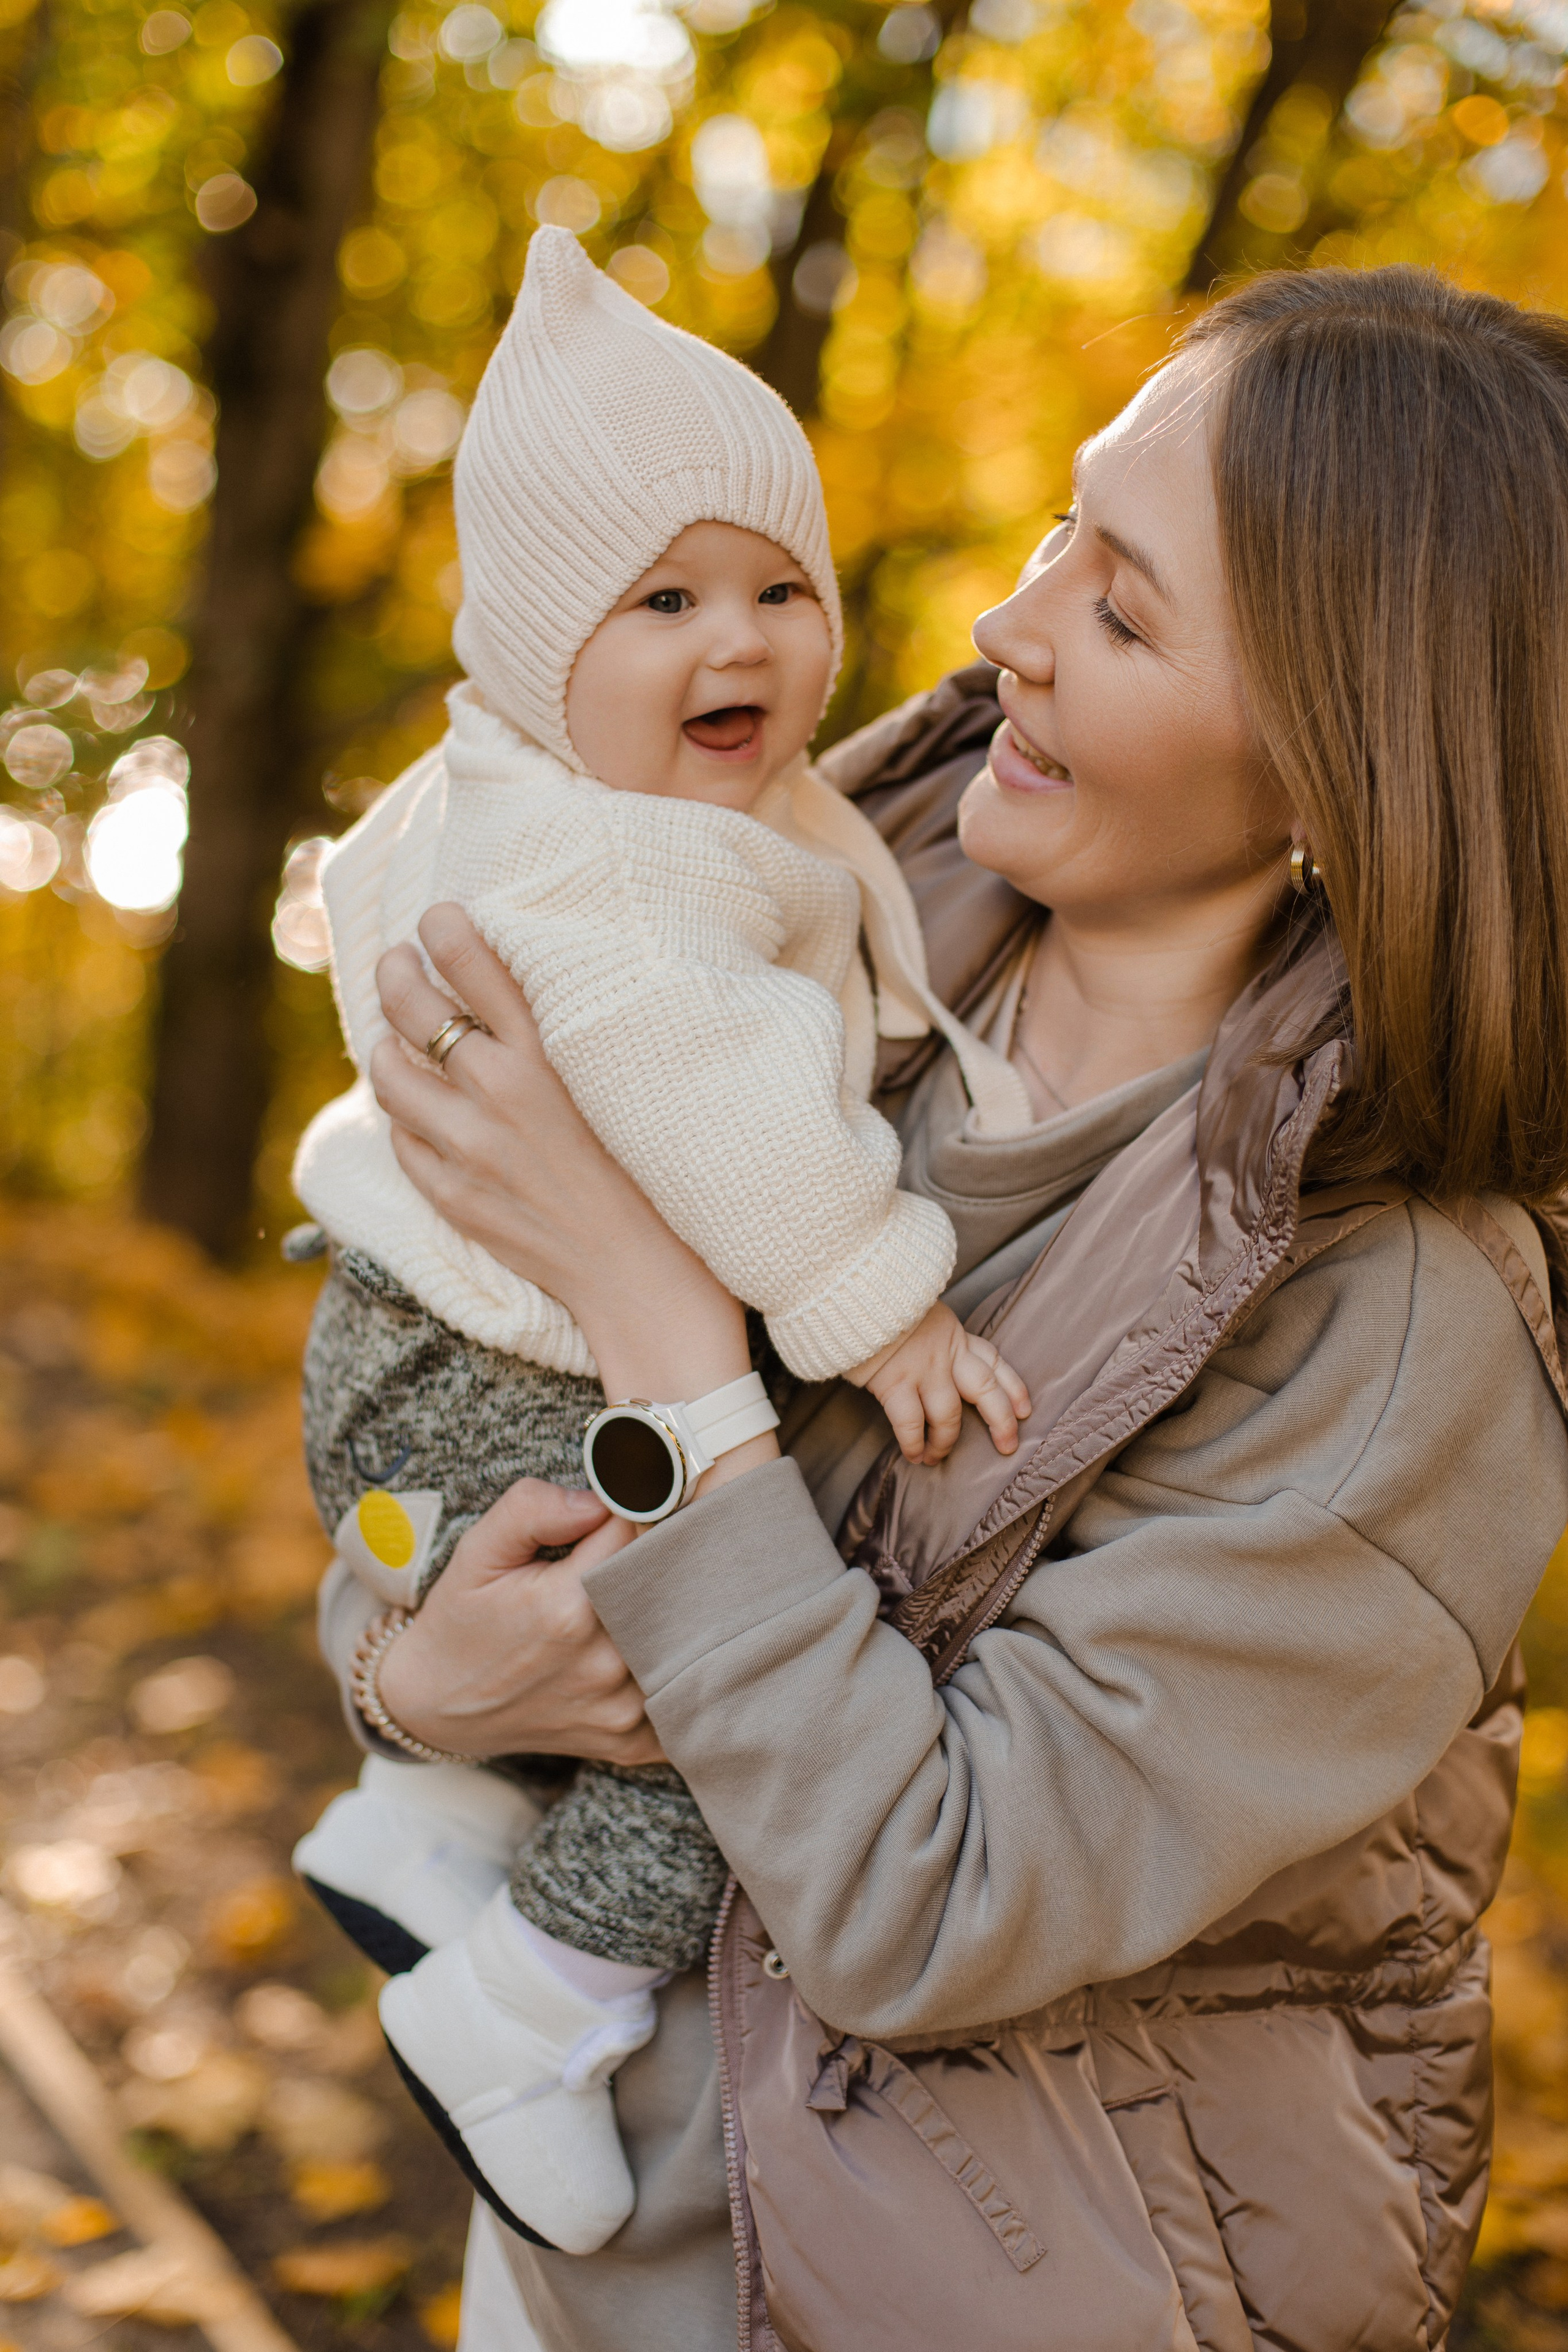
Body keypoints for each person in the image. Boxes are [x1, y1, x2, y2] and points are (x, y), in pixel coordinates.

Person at [317, 265, 1568, 2351]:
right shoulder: (792, 904)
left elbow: (933, 1905)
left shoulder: (1399, 1334)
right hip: (574, 2240)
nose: (1005, 624)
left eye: (1124, 611)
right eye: (1061, 531)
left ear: (1347, 757)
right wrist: (417, 1685)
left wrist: (652, 1305)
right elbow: (428, 1450)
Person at [287, 224, 1030, 2258]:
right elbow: (726, 1103)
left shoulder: (567, 791)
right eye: (667, 600)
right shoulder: (618, 882)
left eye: (783, 591)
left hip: (412, 1338)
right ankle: (530, 2005)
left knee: (620, 1631)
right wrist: (882, 1306)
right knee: (717, 1676)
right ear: (542, 642)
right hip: (480, 1367)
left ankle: (425, 1820)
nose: (745, 646)